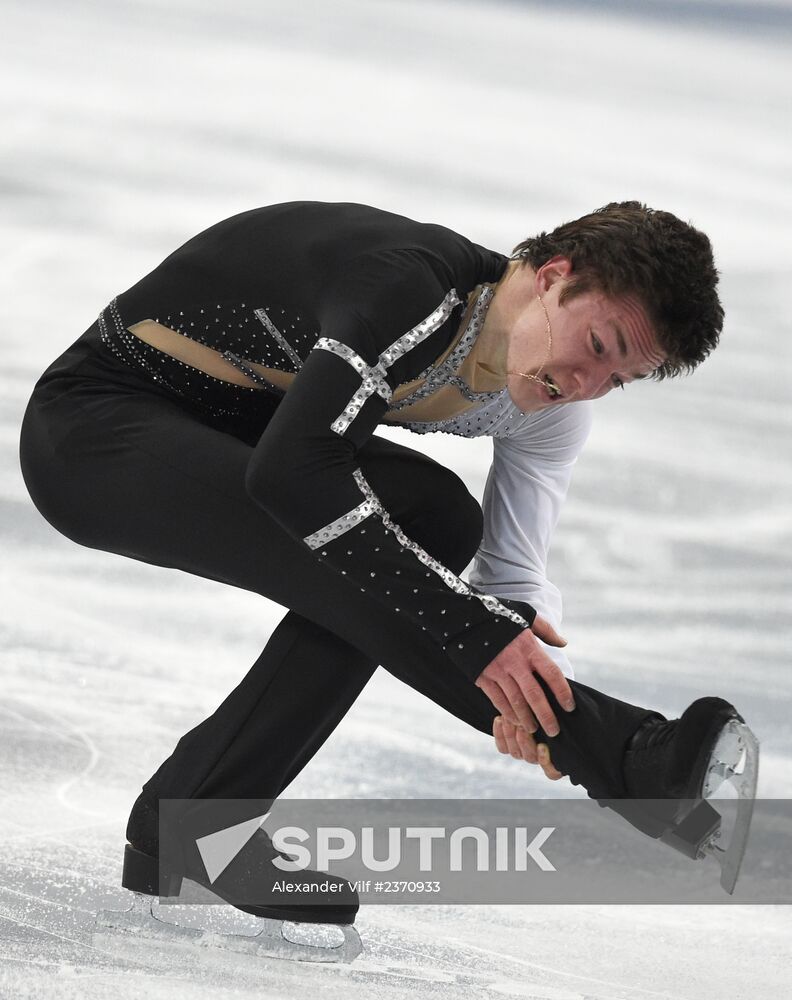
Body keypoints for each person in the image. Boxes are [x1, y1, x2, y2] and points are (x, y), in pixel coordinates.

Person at [18, 200, 753, 940]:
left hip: (237, 434)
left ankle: (199, 813)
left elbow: (507, 580)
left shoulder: (551, 400)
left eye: (618, 379)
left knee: (436, 519)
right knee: (378, 553)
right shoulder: (410, 291)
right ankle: (627, 757)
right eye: (599, 344)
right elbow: (294, 478)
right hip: (97, 429)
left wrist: (514, 686)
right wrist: (476, 639)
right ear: (553, 278)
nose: (590, 383)